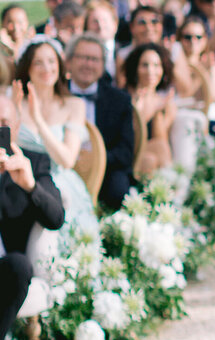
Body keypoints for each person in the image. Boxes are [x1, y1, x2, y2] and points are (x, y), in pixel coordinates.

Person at [0, 89, 66, 340]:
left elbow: (56, 218)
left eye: (4, 123)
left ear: (17, 126)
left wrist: (29, 186)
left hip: (7, 267)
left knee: (19, 266)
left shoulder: (35, 162)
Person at [13, 38, 96, 230]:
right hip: (19, 181)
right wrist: (14, 113)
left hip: (58, 183)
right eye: (38, 62)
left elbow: (67, 160)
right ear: (28, 68)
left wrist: (38, 120)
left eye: (51, 61)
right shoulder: (14, 99)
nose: (46, 68)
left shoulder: (74, 105)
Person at [64, 34, 135, 211]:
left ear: (103, 66)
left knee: (119, 189)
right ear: (69, 61)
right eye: (82, 57)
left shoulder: (120, 100)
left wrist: (94, 161)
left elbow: (125, 152)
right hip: (62, 167)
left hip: (105, 170)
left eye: (94, 59)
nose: (88, 64)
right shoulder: (56, 94)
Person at [123, 43, 176, 179]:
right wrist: (139, 108)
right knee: (152, 156)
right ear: (136, 68)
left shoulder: (165, 103)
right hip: (129, 154)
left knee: (153, 156)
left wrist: (160, 112)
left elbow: (162, 139)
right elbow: (128, 137)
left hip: (154, 156)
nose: (151, 71)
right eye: (145, 65)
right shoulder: (125, 98)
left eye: (156, 65)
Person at [173, 17, 215, 112]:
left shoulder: (210, 63)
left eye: (198, 37)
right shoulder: (175, 63)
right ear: (180, 39)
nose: (193, 41)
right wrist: (202, 71)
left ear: (205, 40)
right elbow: (185, 94)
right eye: (188, 37)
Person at [83, 0, 120, 74]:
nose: (100, 26)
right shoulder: (81, 56)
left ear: (115, 24)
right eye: (95, 21)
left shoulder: (124, 53)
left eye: (104, 20)